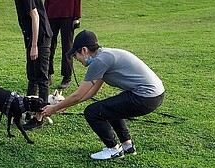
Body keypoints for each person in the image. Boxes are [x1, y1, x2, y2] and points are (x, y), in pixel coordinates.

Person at [40, 30, 165, 160]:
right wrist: (64, 105)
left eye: (76, 56)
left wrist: (53, 108)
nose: (77, 60)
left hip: (145, 97)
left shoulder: (99, 61)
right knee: (109, 107)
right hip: (154, 95)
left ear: (84, 50)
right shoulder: (104, 56)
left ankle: (113, 149)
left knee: (92, 112)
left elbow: (78, 95)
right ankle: (127, 145)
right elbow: (92, 91)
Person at [14, 0, 53, 130]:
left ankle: (39, 118)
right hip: (31, 38)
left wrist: (35, 45)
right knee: (32, 77)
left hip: (40, 38)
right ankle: (28, 109)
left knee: (42, 78)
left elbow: (35, 16)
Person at [45, 0, 81, 89]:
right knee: (49, 46)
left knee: (67, 48)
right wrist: (44, 13)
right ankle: (47, 74)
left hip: (68, 15)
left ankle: (67, 77)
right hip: (52, 14)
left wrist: (77, 17)